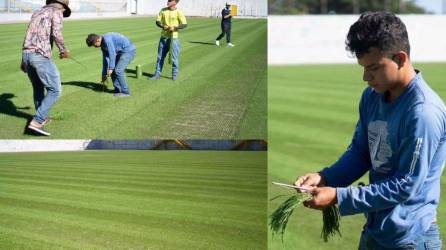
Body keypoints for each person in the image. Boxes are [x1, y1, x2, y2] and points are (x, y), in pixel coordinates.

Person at [294, 11, 445, 249]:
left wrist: (338, 197)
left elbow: (405, 184)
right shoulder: (371, 98)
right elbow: (361, 153)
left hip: (411, 240)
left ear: (401, 58)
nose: (366, 77)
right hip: (375, 233)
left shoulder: (423, 112)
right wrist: (326, 177)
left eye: (373, 67)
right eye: (363, 67)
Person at [21, 0, 71, 136]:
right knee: (55, 89)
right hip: (40, 55)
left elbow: (28, 34)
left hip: (27, 54)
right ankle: (37, 121)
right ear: (63, 6)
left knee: (38, 88)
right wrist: (63, 50)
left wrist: (23, 60)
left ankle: (42, 117)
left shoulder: (37, 13)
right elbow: (57, 33)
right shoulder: (56, 12)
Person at [86, 33, 136, 97]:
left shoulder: (107, 40)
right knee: (112, 70)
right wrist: (104, 74)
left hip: (129, 51)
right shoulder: (103, 46)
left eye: (94, 45)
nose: (95, 47)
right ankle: (117, 89)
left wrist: (111, 68)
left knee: (118, 70)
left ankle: (126, 92)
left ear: (98, 40)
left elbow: (112, 54)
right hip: (120, 52)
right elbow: (105, 60)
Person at [149, 0, 187, 81]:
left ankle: (174, 75)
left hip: (174, 38)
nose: (168, 1)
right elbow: (157, 21)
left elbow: (184, 24)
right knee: (160, 57)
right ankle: (157, 74)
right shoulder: (163, 10)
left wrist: (175, 27)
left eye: (170, 0)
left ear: (175, 2)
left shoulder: (179, 12)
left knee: (174, 58)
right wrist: (163, 26)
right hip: (163, 38)